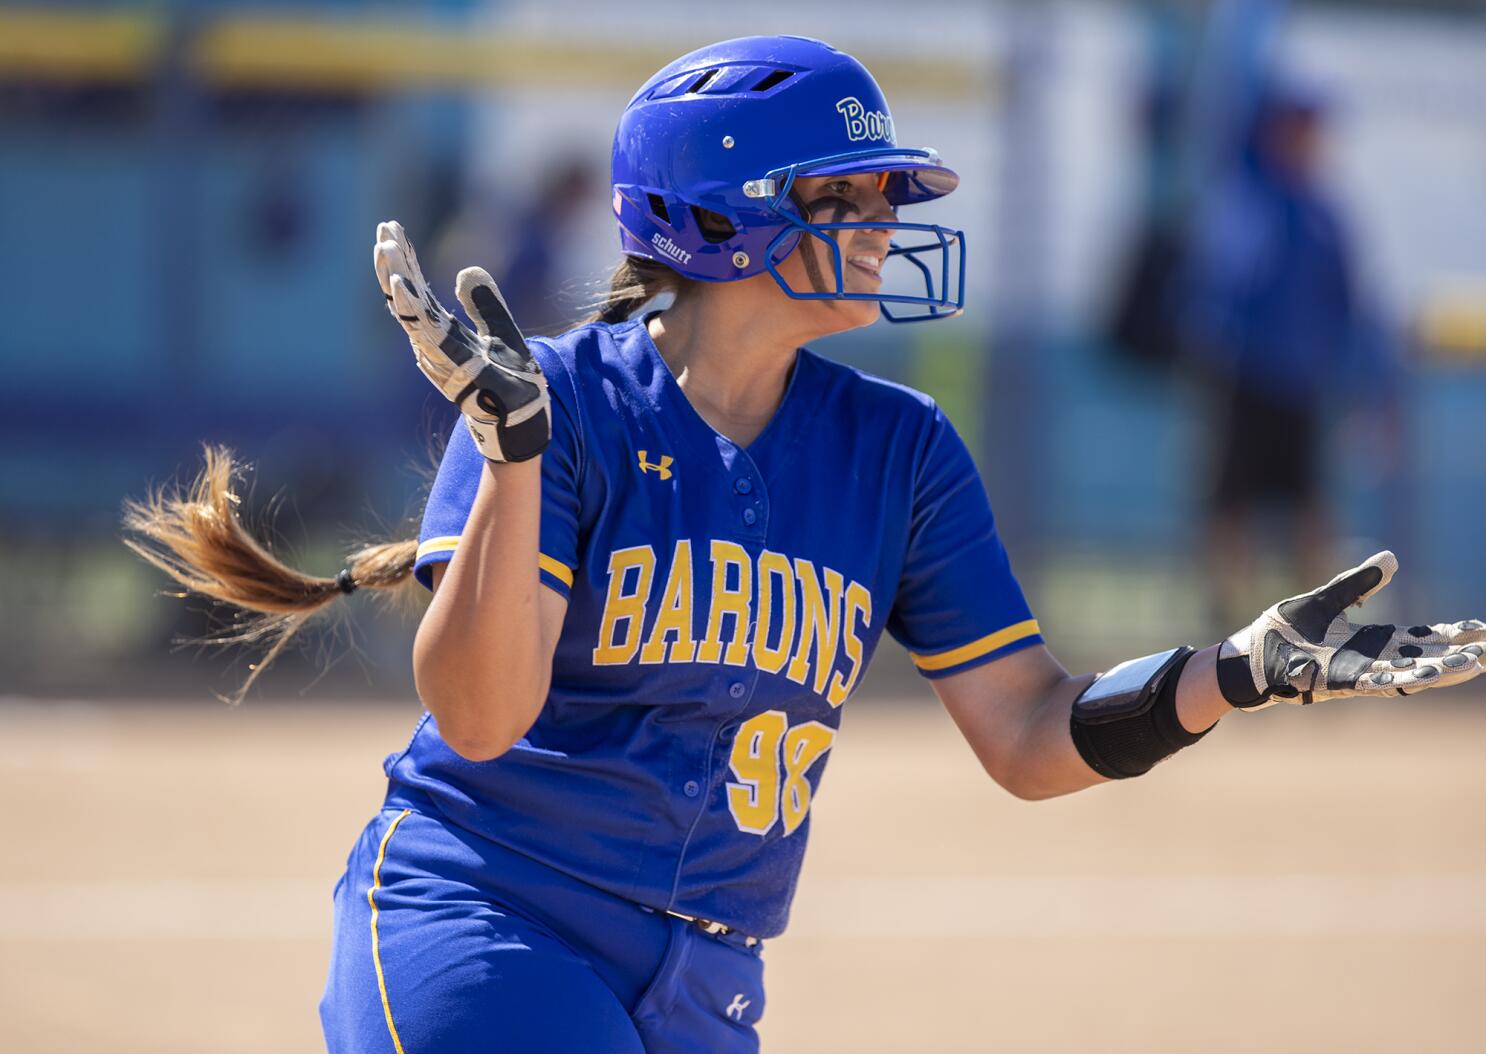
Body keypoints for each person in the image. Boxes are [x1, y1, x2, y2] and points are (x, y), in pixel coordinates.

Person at [122, 37, 1484, 1054]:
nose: (889, 221)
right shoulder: (558, 401)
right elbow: (477, 715)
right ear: (718, 221)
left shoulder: (899, 452)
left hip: (706, 978)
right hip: (494, 927)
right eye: (849, 193)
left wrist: (1231, 672)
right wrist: (515, 457)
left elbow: (1023, 731)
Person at [1178, 83, 1385, 630]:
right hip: (1242, 382)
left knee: (1309, 509)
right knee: (1230, 506)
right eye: (1296, 126)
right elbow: (1211, 296)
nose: (1306, 139)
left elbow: (1350, 307)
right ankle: (1224, 633)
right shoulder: (1242, 203)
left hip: (1301, 385)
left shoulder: (1322, 216)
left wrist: (1369, 391)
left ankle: (1316, 630)